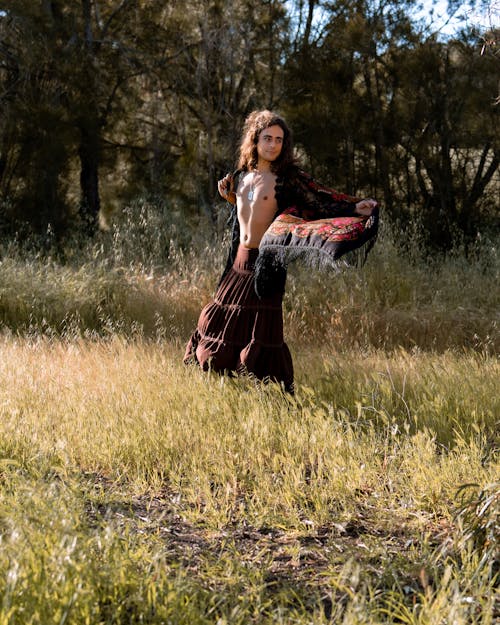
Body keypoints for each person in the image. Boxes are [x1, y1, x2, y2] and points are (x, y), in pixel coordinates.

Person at [184, 110, 379, 393]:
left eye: (279, 139)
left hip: (266, 266)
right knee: (221, 323)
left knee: (261, 332)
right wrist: (227, 197)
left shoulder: (287, 179)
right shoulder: (240, 178)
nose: (273, 145)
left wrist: (353, 208)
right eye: (268, 138)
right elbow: (243, 216)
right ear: (255, 140)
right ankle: (230, 391)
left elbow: (320, 201)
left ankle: (270, 395)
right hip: (237, 263)